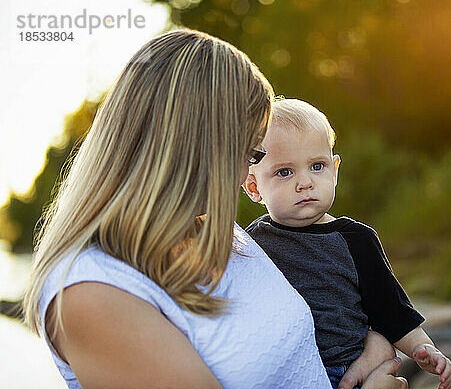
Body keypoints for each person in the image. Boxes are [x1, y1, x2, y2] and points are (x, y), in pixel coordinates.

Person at [22, 30, 409, 388]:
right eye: (250, 152)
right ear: (195, 141)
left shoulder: (225, 234)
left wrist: (373, 338)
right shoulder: (94, 292)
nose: (246, 173)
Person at [243, 99, 451, 389]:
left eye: (317, 166)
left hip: (349, 367)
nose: (304, 182)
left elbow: (390, 309)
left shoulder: (355, 239)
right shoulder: (252, 243)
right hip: (289, 373)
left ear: (335, 170)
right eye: (284, 172)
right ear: (253, 186)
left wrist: (425, 349)